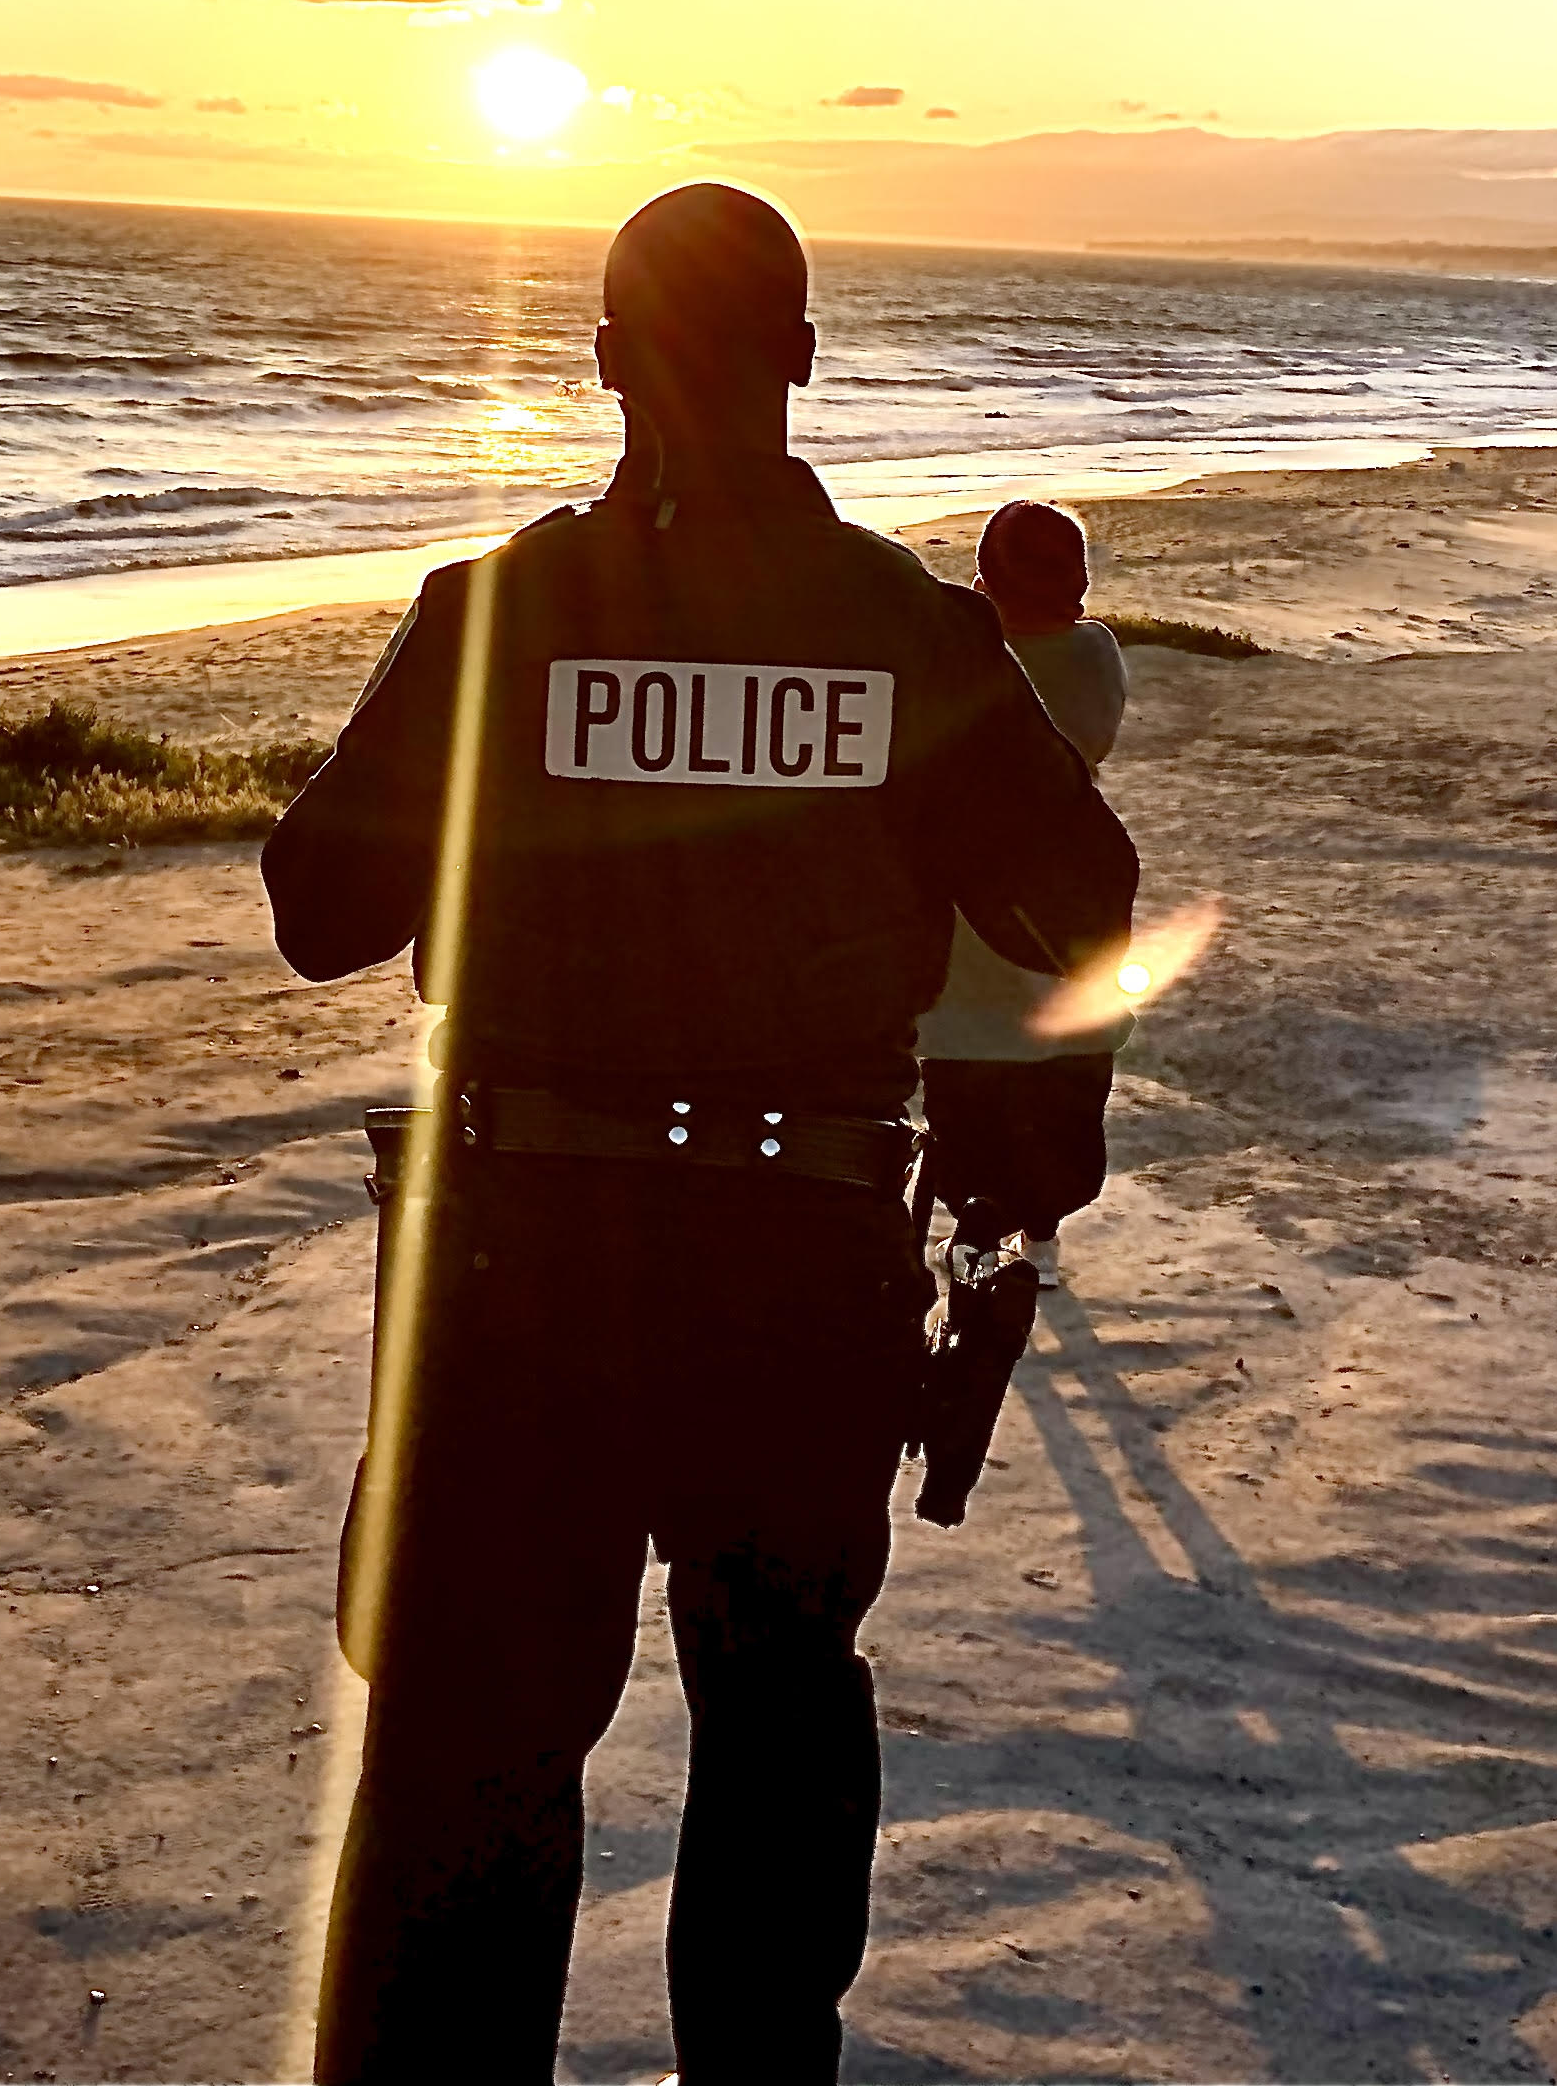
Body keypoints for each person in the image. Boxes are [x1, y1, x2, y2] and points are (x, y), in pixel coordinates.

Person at [264, 184, 1136, 2083]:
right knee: (777, 1720)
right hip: (797, 1260)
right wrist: (1012, 1172)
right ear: (804, 358)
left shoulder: (497, 612)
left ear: (600, 361)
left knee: (471, 1745)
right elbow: (1084, 905)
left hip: (516, 1260)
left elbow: (318, 908)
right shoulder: (904, 631)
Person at [912, 499, 1127, 1277]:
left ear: (984, 580)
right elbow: (1093, 735)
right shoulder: (1096, 656)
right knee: (1063, 1079)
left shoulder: (958, 659)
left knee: (967, 1083)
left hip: (972, 906)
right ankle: (1041, 1229)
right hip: (1068, 890)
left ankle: (979, 1222)